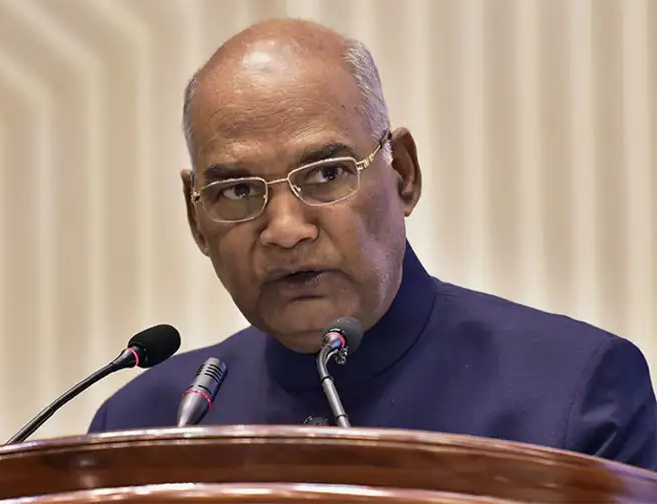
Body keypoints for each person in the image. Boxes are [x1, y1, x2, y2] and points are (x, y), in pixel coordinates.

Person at [88, 18, 657, 470]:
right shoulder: (144, 427)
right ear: (197, 220)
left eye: (326, 174)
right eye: (237, 190)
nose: (286, 229)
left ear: (403, 174)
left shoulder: (574, 392)